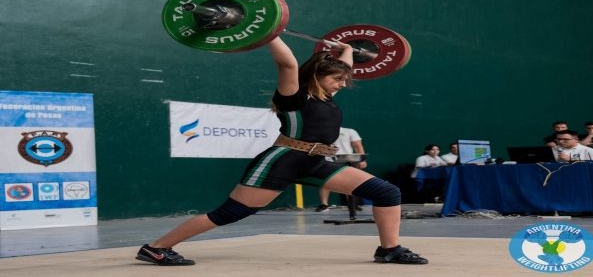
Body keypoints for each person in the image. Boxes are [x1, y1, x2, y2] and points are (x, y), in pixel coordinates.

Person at [135, 36, 428, 266]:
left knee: (387, 192)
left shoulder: (327, 96)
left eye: (343, 80)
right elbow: (287, 64)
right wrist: (271, 34)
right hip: (283, 160)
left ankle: (389, 250)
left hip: (316, 161)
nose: (342, 84)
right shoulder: (293, 97)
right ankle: (156, 248)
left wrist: (346, 49)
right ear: (316, 76)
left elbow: (345, 68)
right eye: (337, 79)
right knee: (232, 212)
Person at [316, 127, 366, 212]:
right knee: (325, 182)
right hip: (328, 160)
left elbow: (357, 146)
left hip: (347, 160)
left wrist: (362, 160)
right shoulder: (323, 131)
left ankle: (352, 204)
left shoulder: (350, 131)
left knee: (349, 183)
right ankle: (324, 204)